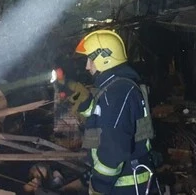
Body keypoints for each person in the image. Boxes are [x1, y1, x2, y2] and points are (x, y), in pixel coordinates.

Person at [55, 29, 157, 195]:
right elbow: (102, 116)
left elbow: (113, 150)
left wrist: (99, 186)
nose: (87, 66)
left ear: (105, 58)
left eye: (91, 60)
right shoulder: (115, 87)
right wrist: (83, 103)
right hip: (124, 181)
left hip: (124, 186)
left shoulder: (117, 93)